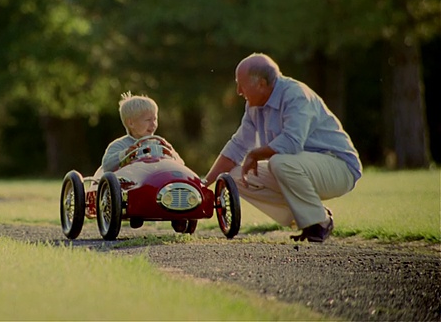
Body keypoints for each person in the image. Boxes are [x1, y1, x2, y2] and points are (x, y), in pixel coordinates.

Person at [204, 53, 362, 243]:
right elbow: (237, 146)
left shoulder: (296, 95)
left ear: (261, 84)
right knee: (235, 177)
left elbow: (291, 142)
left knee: (280, 162)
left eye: (241, 84)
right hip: (299, 168)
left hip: (339, 167)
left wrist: (256, 153)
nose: (238, 91)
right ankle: (311, 216)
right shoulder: (253, 106)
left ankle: (318, 221)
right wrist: (204, 183)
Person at [101, 91, 182, 172]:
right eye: (148, 120)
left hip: (157, 180)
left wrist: (171, 155)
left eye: (155, 119)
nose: (153, 124)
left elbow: (182, 166)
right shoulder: (120, 145)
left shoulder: (160, 143)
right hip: (133, 181)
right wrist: (125, 154)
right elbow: (106, 166)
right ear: (131, 123)